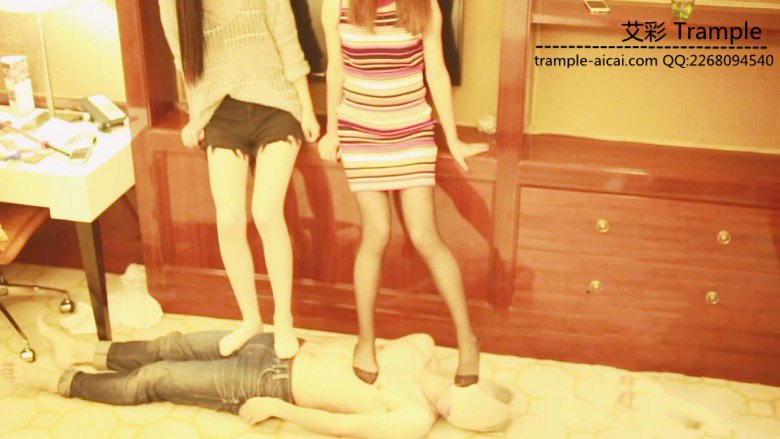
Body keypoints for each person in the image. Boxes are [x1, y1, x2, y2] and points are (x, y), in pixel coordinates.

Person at [317, 0, 488, 386]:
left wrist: (453, 138)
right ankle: (365, 340)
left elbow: (437, 72)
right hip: (360, 130)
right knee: (376, 233)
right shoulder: (336, 5)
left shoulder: (423, 5)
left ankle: (468, 340)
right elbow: (336, 70)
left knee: (425, 236)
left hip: (411, 130)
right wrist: (332, 131)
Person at [2, 318, 514, 438]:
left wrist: (278, 409)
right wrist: (443, 370)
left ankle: (60, 381)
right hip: (280, 342)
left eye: (460, 417)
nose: (449, 410)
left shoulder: (413, 419)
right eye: (460, 398)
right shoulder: (420, 353)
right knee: (170, 343)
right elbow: (425, 338)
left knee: (157, 377)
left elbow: (342, 427)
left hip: (266, 383)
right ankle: (83, 350)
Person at [158, 0, 320, 359]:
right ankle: (250, 320)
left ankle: (283, 320)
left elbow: (289, 44)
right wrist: (196, 116)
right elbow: (184, 61)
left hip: (276, 106)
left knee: (266, 212)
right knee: (229, 219)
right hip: (221, 113)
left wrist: (307, 110)